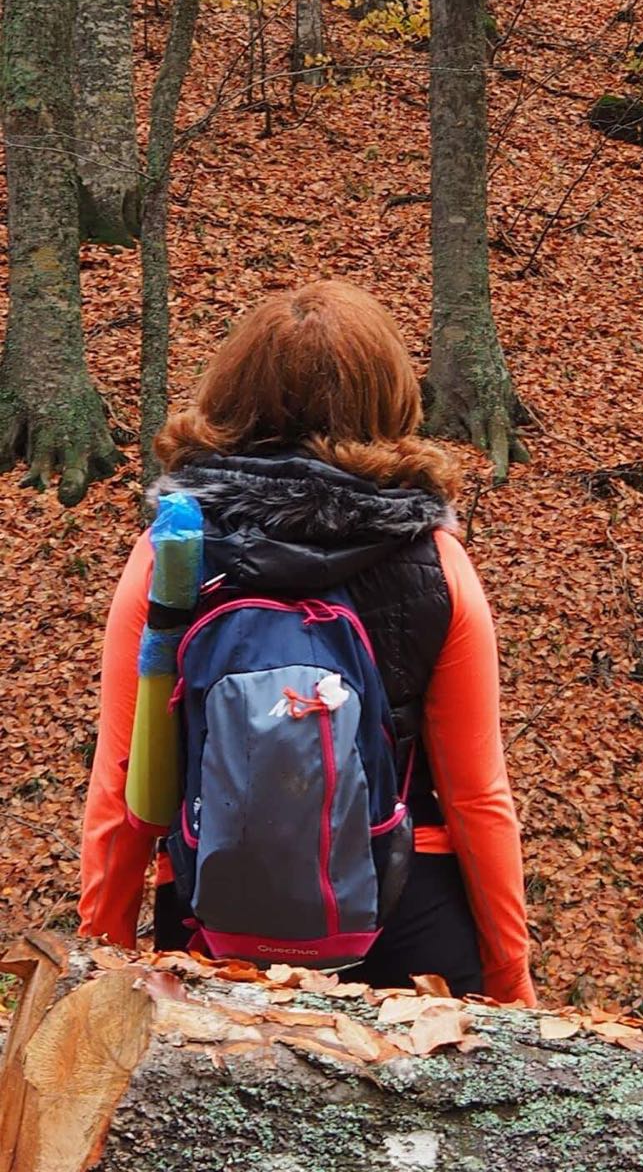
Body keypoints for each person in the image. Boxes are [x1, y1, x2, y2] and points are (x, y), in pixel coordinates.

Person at [79, 280, 536, 1005]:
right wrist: (512, 982)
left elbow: (123, 785)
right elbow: (479, 797)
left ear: (231, 395)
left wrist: (99, 954)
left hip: (213, 915)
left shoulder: (172, 555)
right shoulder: (435, 566)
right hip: (408, 920)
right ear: (389, 397)